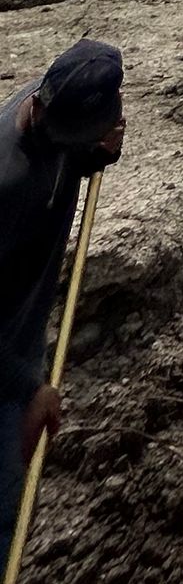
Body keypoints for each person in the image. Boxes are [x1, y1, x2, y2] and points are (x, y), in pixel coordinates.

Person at [0, 39, 126, 549]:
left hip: (19, 327)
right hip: (3, 353)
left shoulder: (51, 101)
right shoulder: (8, 182)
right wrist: (29, 388)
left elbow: (72, 159)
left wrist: (102, 155)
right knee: (4, 500)